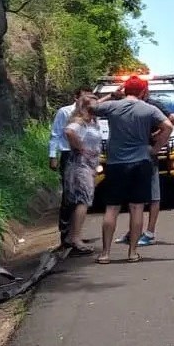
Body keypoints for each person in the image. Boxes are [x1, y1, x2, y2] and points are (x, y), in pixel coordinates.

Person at [88, 75, 173, 263]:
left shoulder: (112, 107)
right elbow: (168, 125)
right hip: (141, 162)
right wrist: (155, 148)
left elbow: (90, 108)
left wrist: (111, 96)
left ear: (124, 90)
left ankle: (105, 254)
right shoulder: (149, 109)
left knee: (112, 208)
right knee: (137, 208)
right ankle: (133, 252)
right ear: (143, 92)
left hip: (116, 163)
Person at [48, 86, 93, 249]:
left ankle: (76, 235)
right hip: (69, 155)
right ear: (76, 98)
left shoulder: (91, 114)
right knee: (69, 196)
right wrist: (53, 156)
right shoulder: (65, 112)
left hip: (85, 159)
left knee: (82, 196)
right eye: (84, 97)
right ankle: (65, 235)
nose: (87, 100)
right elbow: (56, 134)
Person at [60, 94, 102, 256]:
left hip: (88, 165)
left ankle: (72, 236)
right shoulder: (80, 122)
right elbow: (69, 132)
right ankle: (76, 238)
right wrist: (81, 147)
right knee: (82, 200)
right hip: (80, 165)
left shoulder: (92, 120)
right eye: (93, 106)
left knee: (82, 200)